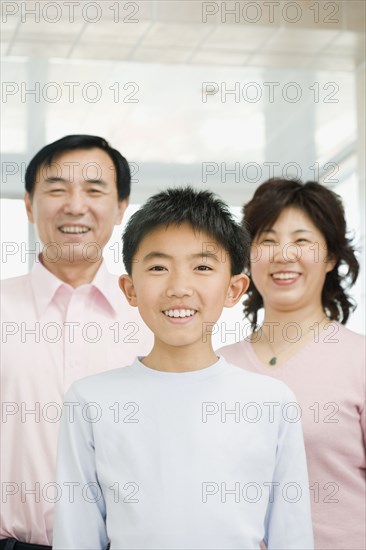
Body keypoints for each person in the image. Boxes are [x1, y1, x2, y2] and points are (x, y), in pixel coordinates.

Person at [52, 186, 314, 550]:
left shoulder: (271, 401)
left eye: (202, 267)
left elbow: (292, 534)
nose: (179, 287)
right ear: (129, 288)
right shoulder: (90, 399)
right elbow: (76, 535)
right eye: (158, 267)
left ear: (234, 289)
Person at [0, 135, 153, 549]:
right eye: (56, 189)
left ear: (121, 207)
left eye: (94, 189)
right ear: (29, 205)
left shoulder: (152, 317)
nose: (75, 205)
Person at [218, 178, 365, 550]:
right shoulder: (216, 366)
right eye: (267, 240)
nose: (283, 254)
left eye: (301, 240)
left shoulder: (358, 361)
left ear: (331, 257)